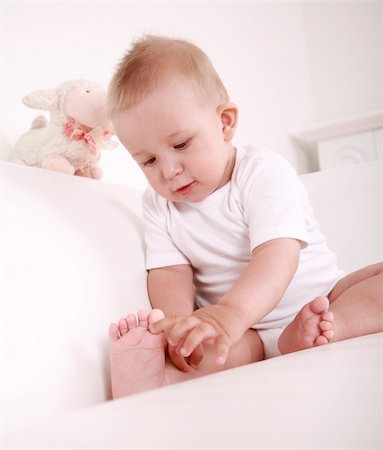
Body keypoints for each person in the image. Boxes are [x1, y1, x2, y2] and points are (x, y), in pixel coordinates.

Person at [106, 34, 383, 398]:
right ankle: (157, 381)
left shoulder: (261, 172)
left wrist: (231, 312)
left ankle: (333, 325)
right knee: (209, 354)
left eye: (180, 145)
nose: (169, 170)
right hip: (239, 335)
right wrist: (176, 325)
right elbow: (170, 272)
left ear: (225, 122)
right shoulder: (158, 204)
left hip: (322, 296)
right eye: (149, 161)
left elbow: (278, 252)